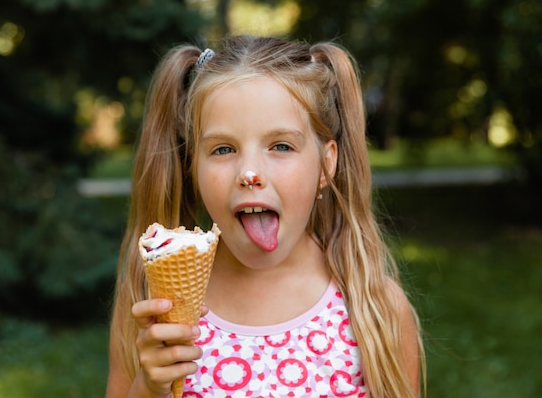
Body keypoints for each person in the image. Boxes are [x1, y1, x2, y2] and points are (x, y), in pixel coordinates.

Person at [106, 35, 424, 398]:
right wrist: (149, 387)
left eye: (281, 146)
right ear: (192, 164)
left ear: (326, 163)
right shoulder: (157, 313)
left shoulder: (375, 310)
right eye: (223, 149)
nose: (250, 172)